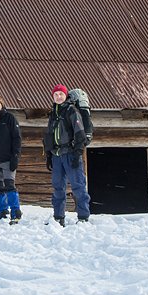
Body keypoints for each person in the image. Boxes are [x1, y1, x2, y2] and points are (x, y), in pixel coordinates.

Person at [44, 84, 90, 226]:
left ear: (66, 96)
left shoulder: (71, 111)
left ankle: (83, 217)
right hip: (56, 155)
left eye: (61, 94)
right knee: (58, 187)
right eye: (56, 95)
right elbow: (49, 136)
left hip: (70, 153)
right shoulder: (53, 113)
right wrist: (49, 156)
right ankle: (59, 217)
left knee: (78, 185)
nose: (58, 97)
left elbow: (80, 134)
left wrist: (77, 154)